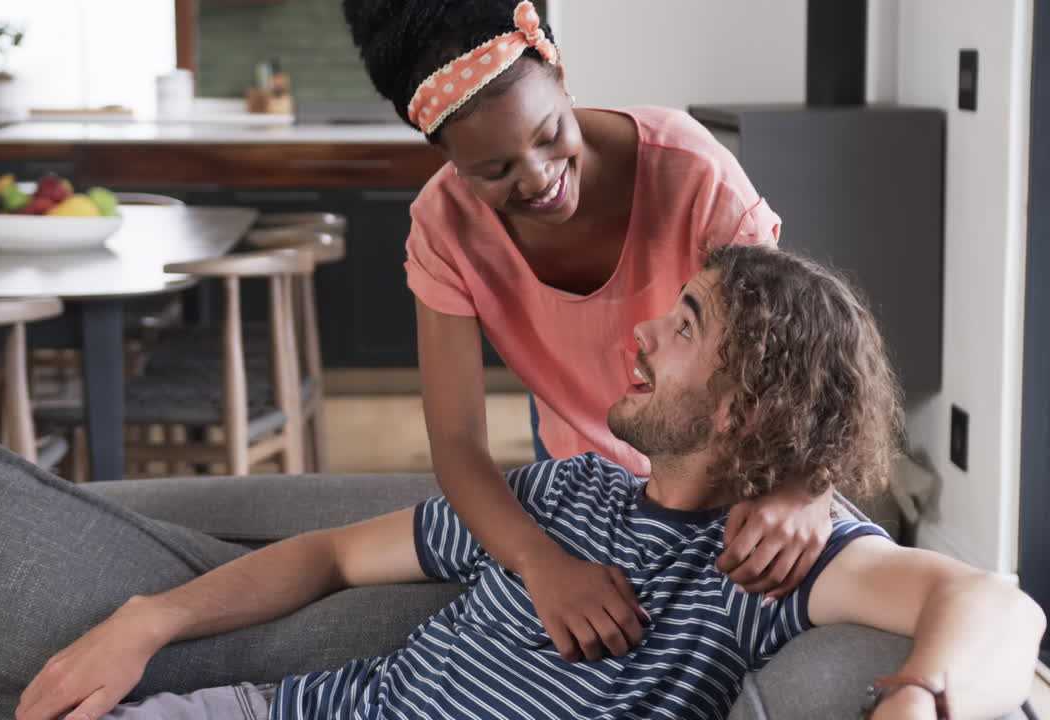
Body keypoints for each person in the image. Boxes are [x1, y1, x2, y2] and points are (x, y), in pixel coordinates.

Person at [17, 246, 1045, 720]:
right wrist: (144, 622)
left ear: (743, 408)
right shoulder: (562, 495)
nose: (640, 331)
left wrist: (915, 701)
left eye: (682, 327)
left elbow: (997, 608)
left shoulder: (770, 567)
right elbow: (331, 555)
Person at [339, 0, 838, 658]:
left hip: (718, 482)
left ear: (560, 74)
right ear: (448, 159)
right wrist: (540, 564)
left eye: (549, 134)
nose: (540, 177)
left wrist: (806, 488)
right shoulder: (444, 228)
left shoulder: (693, 171)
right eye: (494, 171)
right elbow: (458, 441)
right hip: (575, 490)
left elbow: (793, 357)